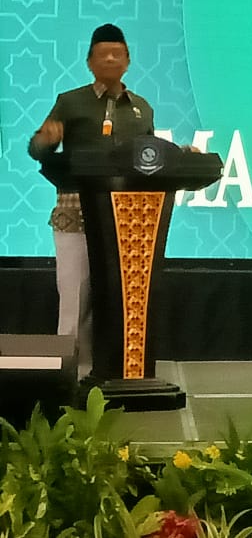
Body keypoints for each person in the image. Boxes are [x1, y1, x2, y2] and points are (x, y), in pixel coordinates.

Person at [28, 23, 155, 379]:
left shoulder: (142, 108)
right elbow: (37, 149)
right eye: (103, 54)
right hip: (76, 213)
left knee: (117, 301)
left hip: (127, 218)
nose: (111, 59)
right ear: (89, 62)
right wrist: (45, 140)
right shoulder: (70, 102)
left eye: (117, 54)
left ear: (128, 61)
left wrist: (180, 155)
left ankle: (113, 374)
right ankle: (72, 377)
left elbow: (152, 156)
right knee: (76, 299)